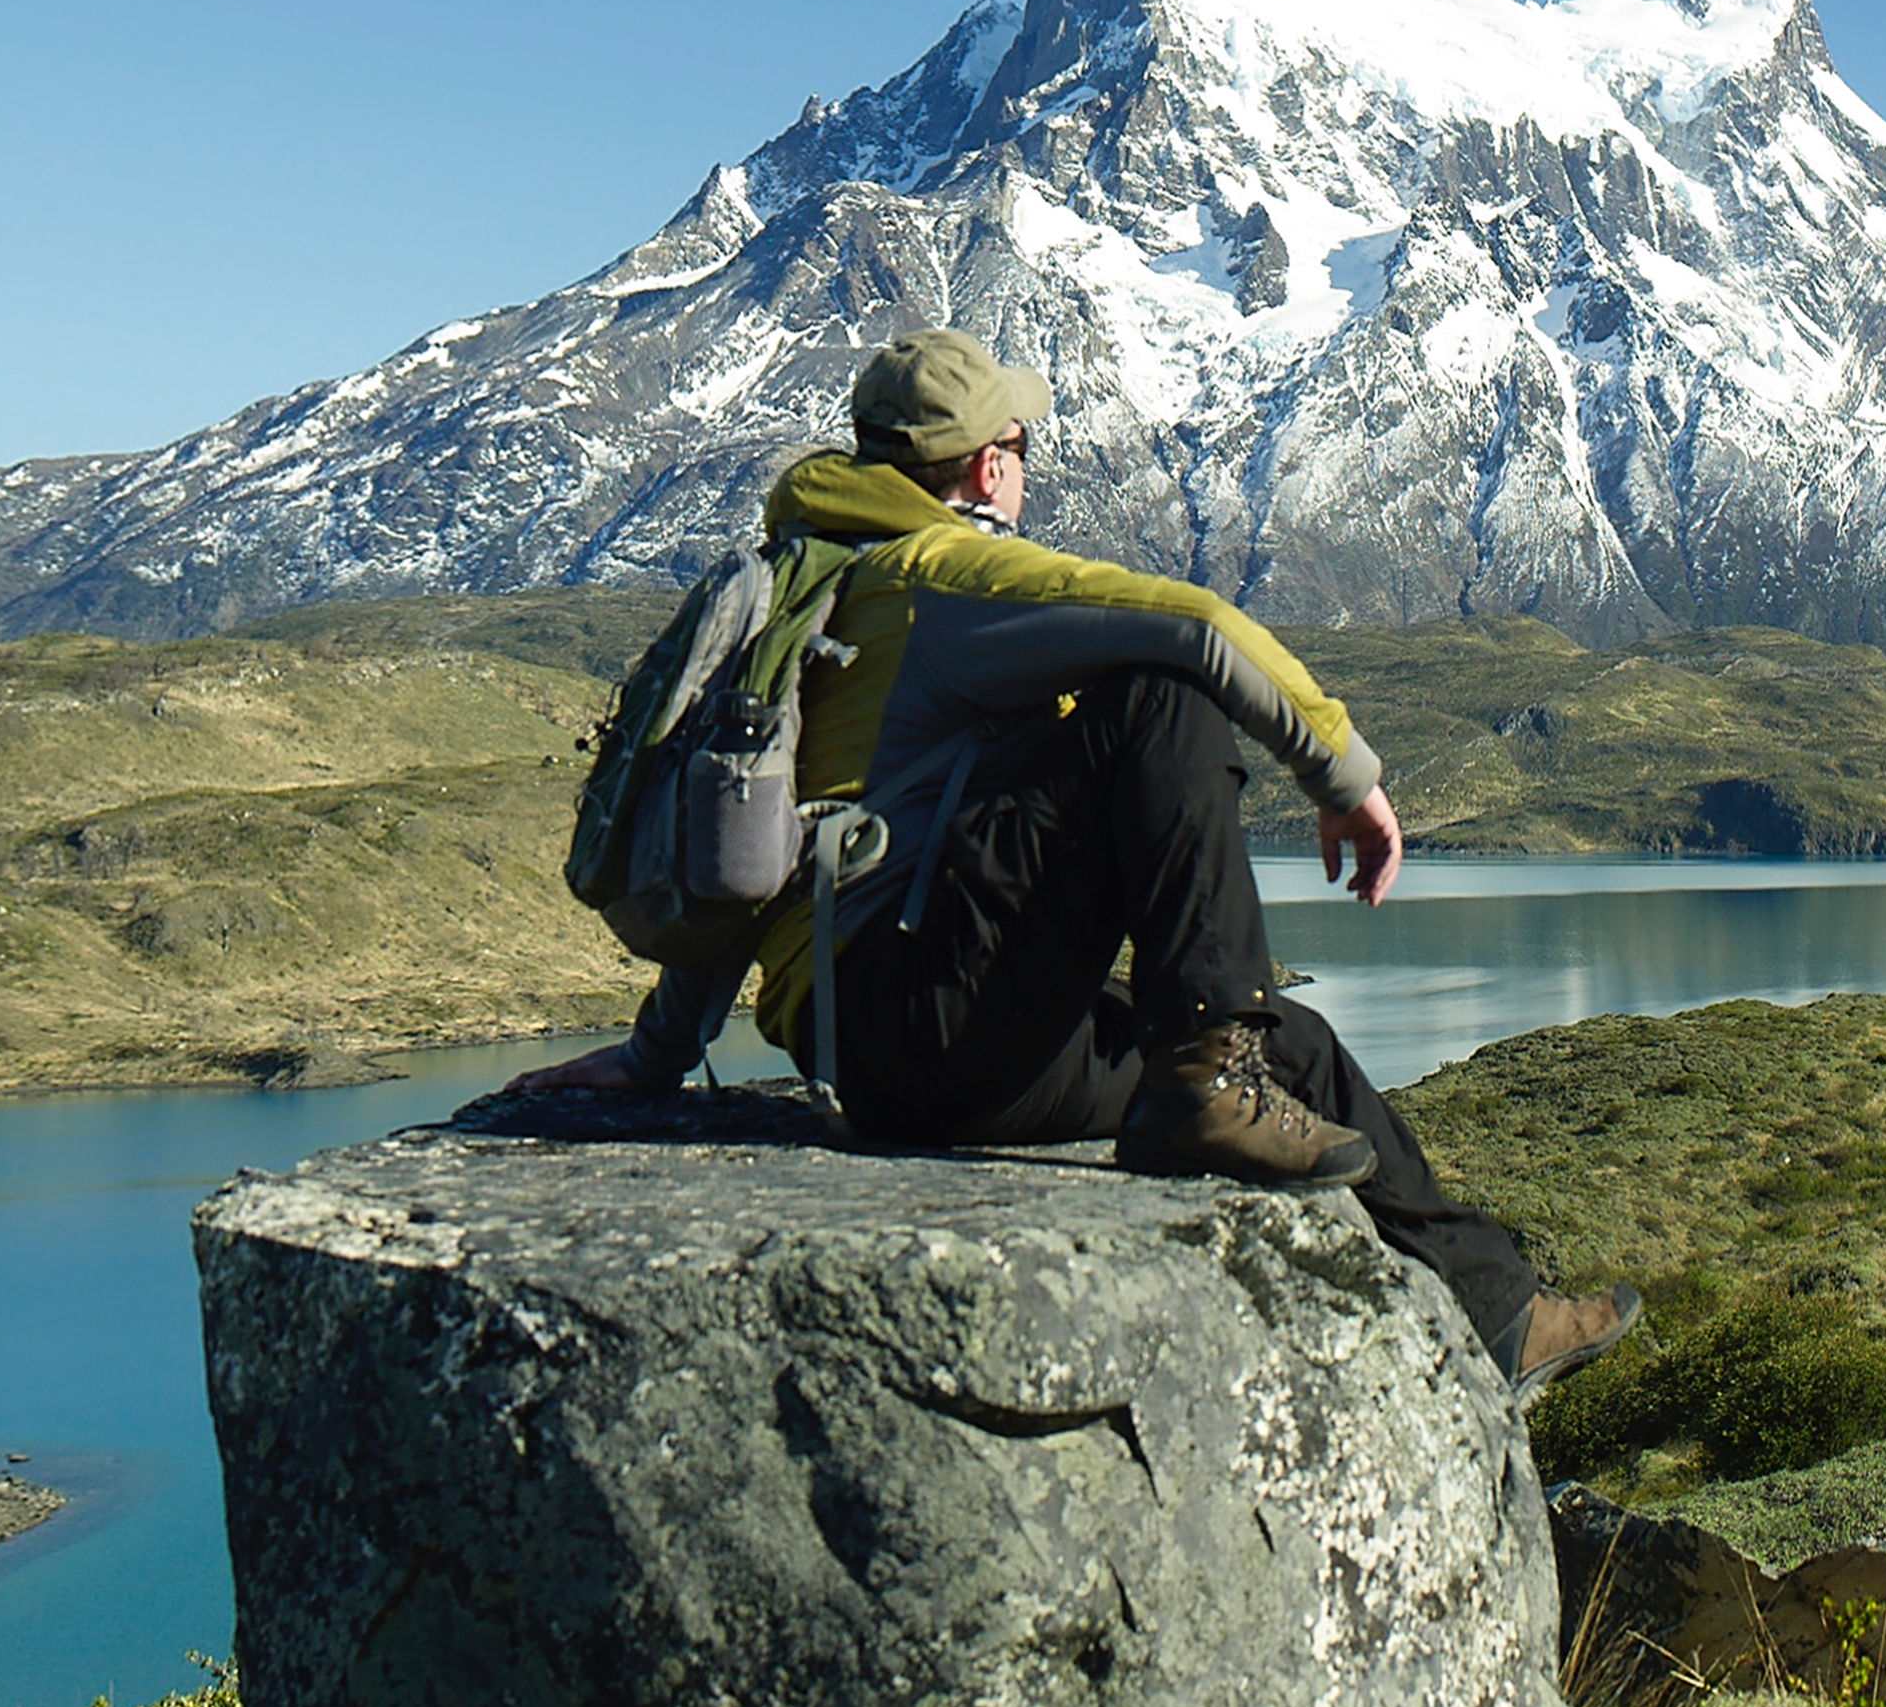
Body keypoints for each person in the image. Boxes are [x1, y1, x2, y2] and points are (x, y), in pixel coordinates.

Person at [514, 328, 1639, 1398]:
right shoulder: (939, 577)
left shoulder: (806, 586)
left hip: (884, 1051)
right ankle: (1203, 1085)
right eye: (1021, 449)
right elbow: (1196, 624)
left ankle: (1498, 1312)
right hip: (931, 1015)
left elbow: (750, 852)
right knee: (1156, 697)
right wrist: (1346, 780)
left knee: (1289, 1044)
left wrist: (658, 1054)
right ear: (989, 465)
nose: (1023, 471)